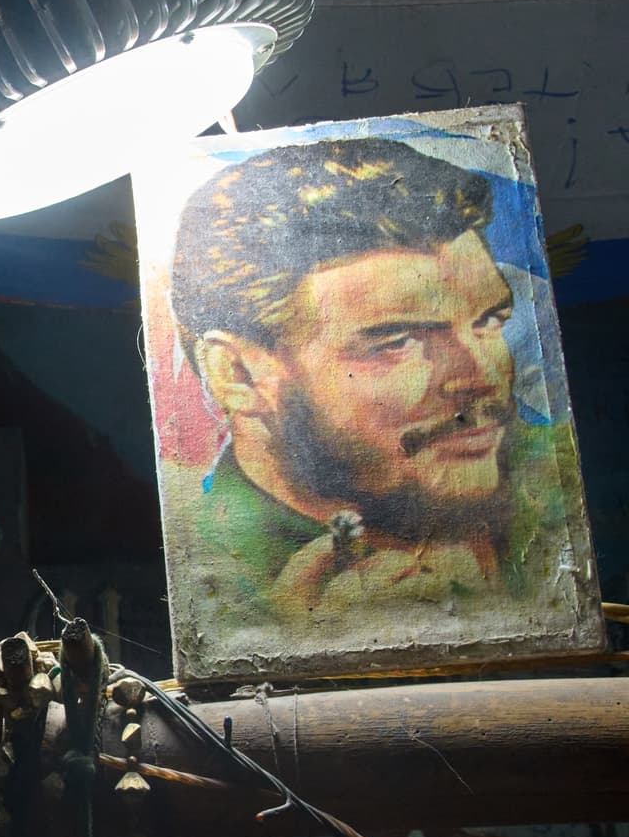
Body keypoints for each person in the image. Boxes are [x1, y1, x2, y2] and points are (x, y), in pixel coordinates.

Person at [164, 136, 574, 627]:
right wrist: (298, 652)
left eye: (488, 321)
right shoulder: (220, 578)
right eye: (397, 340)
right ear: (238, 374)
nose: (483, 377)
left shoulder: (552, 481)